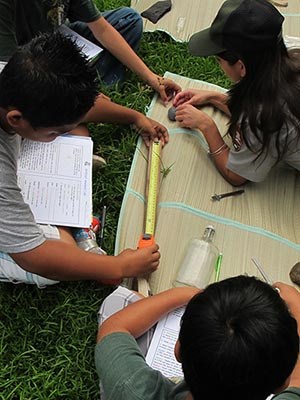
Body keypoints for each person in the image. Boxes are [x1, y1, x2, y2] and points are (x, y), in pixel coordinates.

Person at [0, 32, 161, 288]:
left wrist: (134, 117)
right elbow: (34, 257)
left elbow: (80, 109)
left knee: (78, 134)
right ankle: (69, 229)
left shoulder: (10, 78)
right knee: (58, 256)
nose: (56, 137)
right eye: (54, 132)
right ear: (16, 119)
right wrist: (120, 266)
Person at [96, 276, 300, 400]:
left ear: (178, 350)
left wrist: (183, 294)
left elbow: (114, 329)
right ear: (282, 385)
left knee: (118, 301)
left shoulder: (133, 390)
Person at [173, 0, 300, 185]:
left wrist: (207, 126)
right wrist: (214, 97)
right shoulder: (290, 52)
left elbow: (236, 176)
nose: (219, 66)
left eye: (219, 60)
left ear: (241, 66)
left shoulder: (265, 114)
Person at [0, 0, 180, 103]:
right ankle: (81, 96)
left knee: (129, 20)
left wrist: (151, 77)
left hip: (57, 41)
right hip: (27, 62)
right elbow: (11, 69)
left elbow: (101, 29)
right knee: (28, 93)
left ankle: (81, 92)